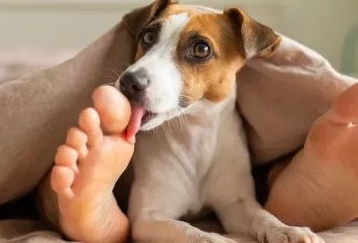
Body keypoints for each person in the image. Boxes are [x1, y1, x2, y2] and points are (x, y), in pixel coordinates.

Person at [49, 83, 358, 243]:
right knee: (60, 168)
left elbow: (238, 208)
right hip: (156, 135)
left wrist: (274, 229)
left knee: (243, 204)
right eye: (149, 38)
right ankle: (99, 213)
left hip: (221, 138)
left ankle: (288, 184)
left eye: (200, 49)